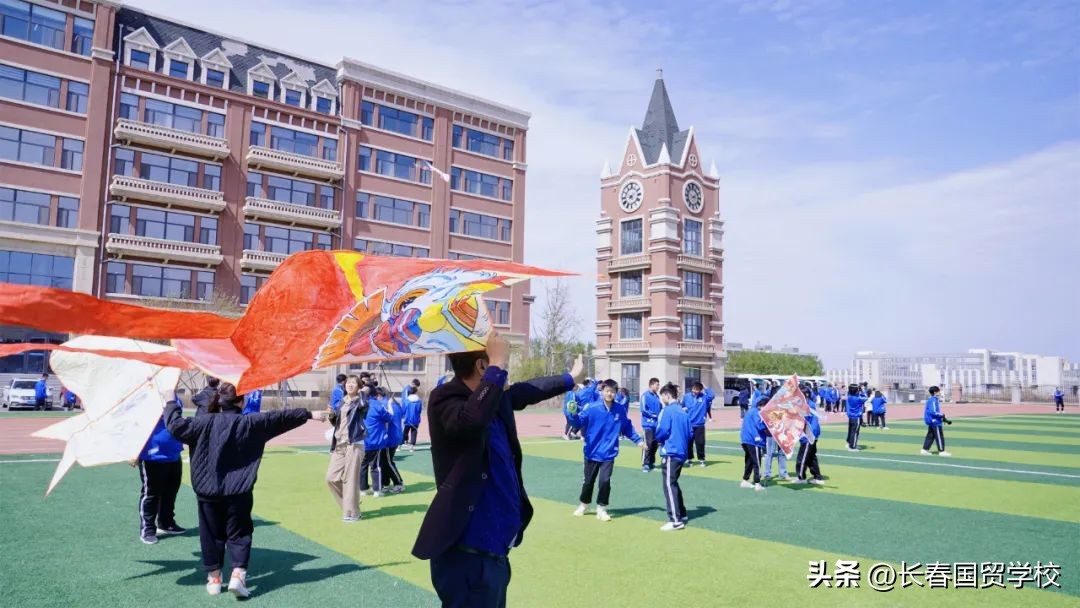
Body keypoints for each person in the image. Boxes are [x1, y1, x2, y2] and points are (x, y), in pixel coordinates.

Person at [411, 331, 584, 608]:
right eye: (500, 363)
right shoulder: (446, 398)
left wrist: (570, 378)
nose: (505, 372)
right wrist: (498, 364)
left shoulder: (495, 398)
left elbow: (529, 390)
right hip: (466, 557)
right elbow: (471, 420)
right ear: (483, 365)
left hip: (495, 553)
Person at [166, 383, 325, 598]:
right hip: (239, 491)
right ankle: (238, 575)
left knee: (210, 534)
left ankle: (214, 579)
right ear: (241, 402)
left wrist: (170, 400)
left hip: (207, 490)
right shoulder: (251, 423)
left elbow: (175, 425)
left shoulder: (203, 422)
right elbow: (280, 418)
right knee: (239, 533)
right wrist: (310, 414)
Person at [570, 379, 646, 521]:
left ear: (616, 393)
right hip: (592, 451)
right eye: (607, 391)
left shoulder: (620, 409)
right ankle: (584, 504)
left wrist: (638, 440)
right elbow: (578, 422)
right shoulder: (592, 407)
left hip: (609, 452)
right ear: (602, 391)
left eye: (612, 391)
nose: (609, 394)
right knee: (588, 481)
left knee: (605, 481)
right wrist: (572, 414)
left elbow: (627, 427)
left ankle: (602, 508)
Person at [134, 413, 186, 544]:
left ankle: (166, 523)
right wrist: (133, 450)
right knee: (151, 494)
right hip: (151, 455)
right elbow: (134, 424)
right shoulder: (145, 402)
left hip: (174, 453)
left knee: (171, 492)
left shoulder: (174, 401)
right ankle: (148, 529)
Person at [326, 375, 366, 522]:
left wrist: (363, 393)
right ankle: (351, 504)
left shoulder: (360, 402)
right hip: (339, 444)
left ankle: (352, 513)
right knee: (331, 478)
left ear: (358, 386)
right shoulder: (342, 402)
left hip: (354, 444)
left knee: (350, 480)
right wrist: (331, 415)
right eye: (348, 382)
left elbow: (364, 406)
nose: (350, 385)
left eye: (354, 383)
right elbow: (338, 422)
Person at [653, 383, 690, 530]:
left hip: (671, 451)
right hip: (681, 452)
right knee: (673, 482)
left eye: (662, 396)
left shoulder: (667, 410)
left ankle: (675, 520)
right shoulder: (683, 411)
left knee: (669, 484)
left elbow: (662, 430)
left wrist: (659, 439)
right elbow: (690, 433)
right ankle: (682, 512)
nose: (662, 399)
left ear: (667, 395)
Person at [359, 388, 391, 497]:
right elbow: (388, 417)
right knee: (375, 465)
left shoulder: (359, 404)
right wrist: (389, 406)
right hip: (375, 440)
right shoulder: (377, 405)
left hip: (361, 440)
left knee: (362, 465)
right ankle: (377, 489)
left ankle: (363, 488)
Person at [739, 397, 768, 491]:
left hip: (746, 440)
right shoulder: (756, 412)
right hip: (754, 440)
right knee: (757, 462)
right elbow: (759, 425)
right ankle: (757, 483)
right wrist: (768, 425)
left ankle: (745, 480)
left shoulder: (750, 411)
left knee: (749, 461)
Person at [381, 388, 406, 493]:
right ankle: (385, 483)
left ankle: (398, 483)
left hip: (389, 438)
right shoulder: (396, 404)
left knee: (388, 462)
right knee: (384, 462)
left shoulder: (385, 405)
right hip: (396, 436)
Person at [791, 408, 824, 485]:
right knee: (811, 458)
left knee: (802, 458)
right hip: (812, 435)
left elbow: (802, 420)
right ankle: (817, 477)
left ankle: (801, 477)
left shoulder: (806, 406)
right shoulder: (808, 406)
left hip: (808, 437)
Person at [680, 382, 709, 467]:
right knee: (689, 443)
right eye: (694, 389)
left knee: (700, 443)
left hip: (699, 424)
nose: (695, 391)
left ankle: (701, 459)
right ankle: (689, 459)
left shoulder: (704, 397)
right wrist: (684, 409)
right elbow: (682, 406)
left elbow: (712, 395)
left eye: (697, 389)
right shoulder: (686, 396)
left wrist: (705, 387)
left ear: (700, 390)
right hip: (689, 424)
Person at [920, 386, 952, 457]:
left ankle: (925, 450)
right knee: (939, 436)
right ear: (935, 392)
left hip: (931, 421)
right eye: (938, 391)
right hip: (935, 422)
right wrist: (942, 415)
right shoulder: (933, 400)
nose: (939, 392)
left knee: (930, 436)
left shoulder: (931, 399)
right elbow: (933, 412)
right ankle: (941, 451)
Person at [639, 378, 662, 472]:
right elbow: (643, 409)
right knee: (647, 444)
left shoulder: (657, 396)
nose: (658, 386)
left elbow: (660, 408)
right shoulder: (645, 395)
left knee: (655, 444)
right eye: (657, 384)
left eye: (658, 384)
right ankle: (645, 464)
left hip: (656, 425)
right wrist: (653, 415)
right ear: (651, 385)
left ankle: (651, 462)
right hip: (648, 425)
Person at [845, 384, 866, 451]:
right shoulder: (858, 398)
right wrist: (862, 391)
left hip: (851, 416)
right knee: (855, 432)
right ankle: (852, 447)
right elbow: (866, 397)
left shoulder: (849, 397)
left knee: (851, 431)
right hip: (856, 417)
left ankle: (849, 443)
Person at [403, 385, 423, 451]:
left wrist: (403, 415)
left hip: (407, 419)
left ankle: (404, 441)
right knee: (414, 432)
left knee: (405, 430)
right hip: (415, 419)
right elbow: (419, 410)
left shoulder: (406, 401)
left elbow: (404, 409)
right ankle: (412, 446)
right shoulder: (419, 401)